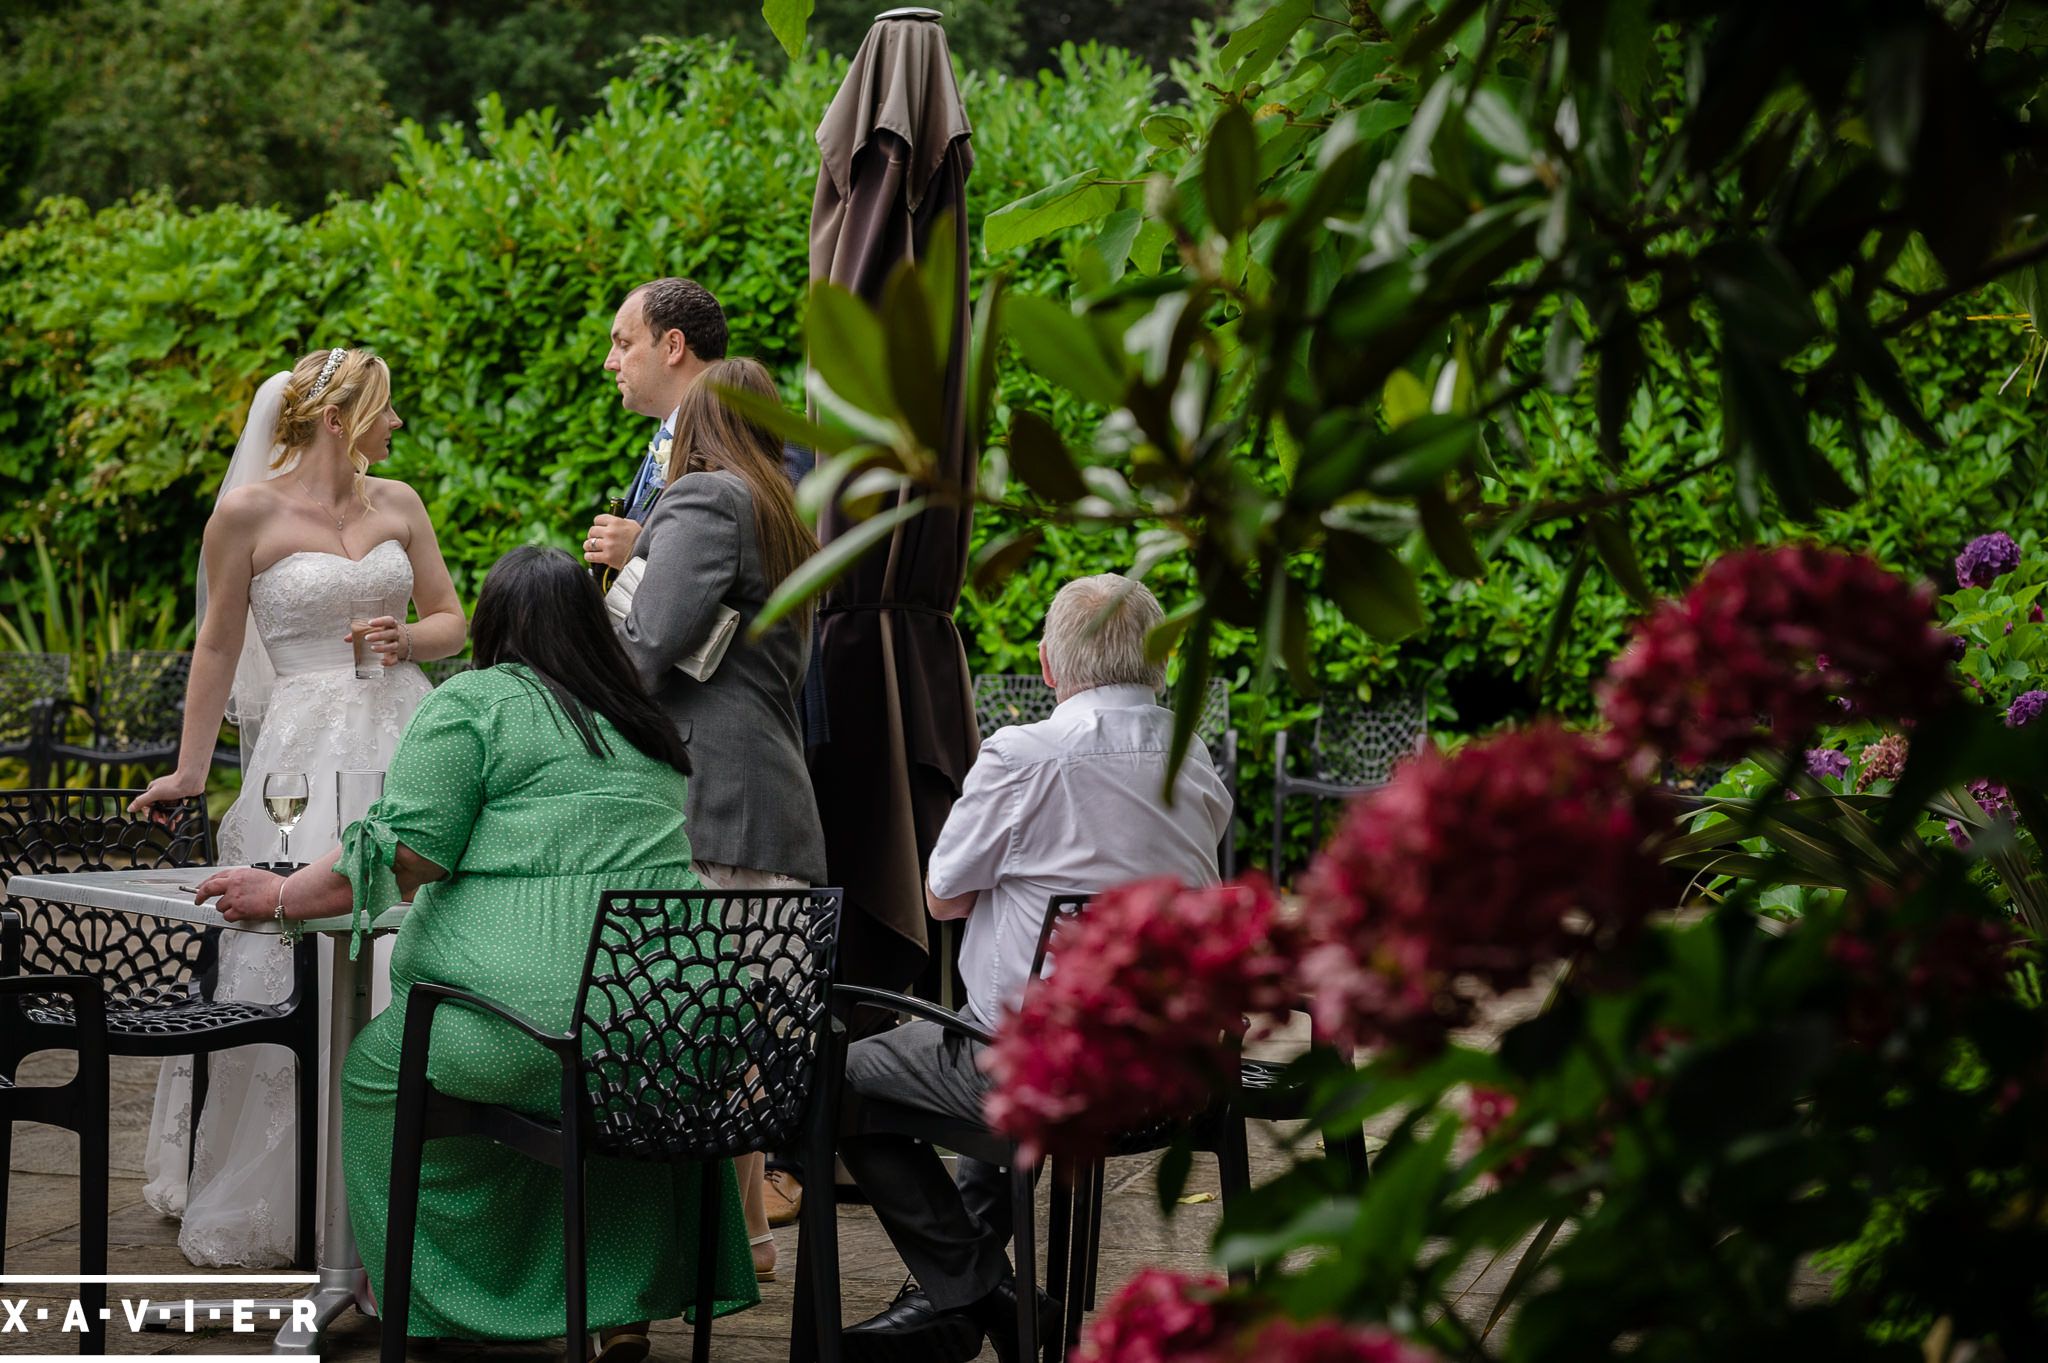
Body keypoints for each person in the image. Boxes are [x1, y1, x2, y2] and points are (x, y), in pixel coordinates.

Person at [193, 545, 759, 1356]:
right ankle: (617, 1308)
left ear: (494, 625)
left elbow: (404, 855)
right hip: (675, 1020)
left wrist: (277, 893)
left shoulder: (477, 702)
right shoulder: (643, 721)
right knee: (602, 1087)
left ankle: (435, 1302)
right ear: (593, 629)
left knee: (380, 1074)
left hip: (529, 1021)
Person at [837, 575, 1233, 1363]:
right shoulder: (1197, 761)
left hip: (1039, 1069)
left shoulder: (1024, 753)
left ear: (1049, 666)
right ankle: (956, 1307)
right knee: (985, 1036)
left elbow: (943, 896)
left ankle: (984, 1291)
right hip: (1166, 1073)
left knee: (836, 1071)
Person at [129, 345, 466, 1267]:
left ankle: (412, 1195)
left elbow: (452, 619)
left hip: (407, 739)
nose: (396, 425)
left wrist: (408, 637)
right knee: (294, 955)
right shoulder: (246, 513)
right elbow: (214, 648)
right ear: (337, 418)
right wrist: (193, 770)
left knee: (413, 940)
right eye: (386, 410)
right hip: (300, 766)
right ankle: (293, 1187)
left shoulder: (398, 502)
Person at [610, 355, 827, 1280]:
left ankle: (681, 1259)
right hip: (770, 802)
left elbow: (647, 648)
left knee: (680, 1039)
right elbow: (719, 644)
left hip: (714, 806)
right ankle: (746, 1242)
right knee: (731, 1046)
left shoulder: (705, 502)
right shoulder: (784, 508)